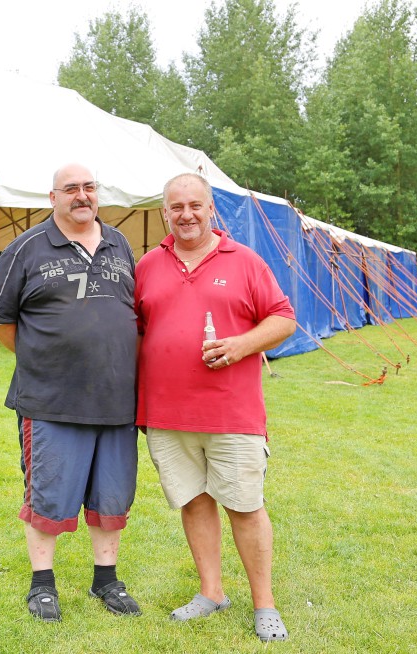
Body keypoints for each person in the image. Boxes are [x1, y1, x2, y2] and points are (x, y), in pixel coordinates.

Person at [134, 173, 296, 642]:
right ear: (165, 212)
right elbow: (140, 327)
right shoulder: (148, 264)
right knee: (193, 501)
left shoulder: (244, 261)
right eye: (176, 207)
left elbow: (283, 317)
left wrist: (243, 344)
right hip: (166, 415)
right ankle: (211, 592)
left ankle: (264, 604)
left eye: (195, 205)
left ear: (211, 210)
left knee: (245, 506)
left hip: (231, 413)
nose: (186, 214)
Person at [0, 163, 140, 622]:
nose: (82, 195)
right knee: (47, 496)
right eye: (71, 188)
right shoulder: (26, 249)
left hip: (116, 398)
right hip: (50, 401)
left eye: (89, 187)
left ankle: (106, 581)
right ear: (52, 197)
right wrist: (44, 356)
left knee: (112, 497)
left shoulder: (120, 243)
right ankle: (42, 586)